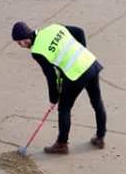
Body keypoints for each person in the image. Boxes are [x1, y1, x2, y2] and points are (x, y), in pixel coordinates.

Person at [12, 21, 107, 154]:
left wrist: (53, 98)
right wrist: (82, 52)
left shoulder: (37, 51)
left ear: (24, 40)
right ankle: (100, 138)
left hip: (76, 73)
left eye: (19, 43)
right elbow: (79, 31)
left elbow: (51, 76)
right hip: (90, 63)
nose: (20, 46)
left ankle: (62, 144)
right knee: (96, 101)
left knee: (64, 109)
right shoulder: (54, 28)